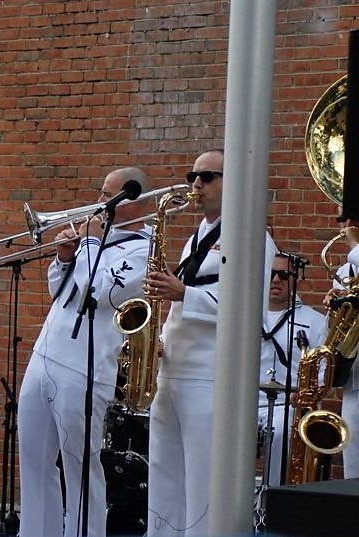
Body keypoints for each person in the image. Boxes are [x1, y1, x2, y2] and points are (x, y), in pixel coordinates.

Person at [143, 149, 276, 536]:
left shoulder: (252, 236)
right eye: (192, 176)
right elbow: (181, 301)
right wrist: (159, 338)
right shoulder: (194, 238)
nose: (195, 184)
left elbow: (248, 307)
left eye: (207, 177)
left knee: (201, 482)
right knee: (163, 475)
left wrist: (185, 293)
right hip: (172, 374)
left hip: (208, 376)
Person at [17, 167, 152, 537]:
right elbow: (60, 292)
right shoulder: (96, 237)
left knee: (79, 466)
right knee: (32, 459)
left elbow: (103, 292)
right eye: (100, 193)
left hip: (85, 368)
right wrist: (62, 258)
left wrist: (89, 245)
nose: (98, 203)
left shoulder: (144, 248)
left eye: (108, 195)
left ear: (132, 200)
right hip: (46, 355)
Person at [257, 253, 326, 486]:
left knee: (280, 433)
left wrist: (308, 393)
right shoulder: (244, 315)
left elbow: (325, 368)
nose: (276, 280)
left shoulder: (315, 321)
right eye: (271, 274)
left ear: (296, 278)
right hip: (244, 403)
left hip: (286, 404)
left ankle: (272, 499)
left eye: (284, 275)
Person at [324, 216, 359, 479]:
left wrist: (356, 246)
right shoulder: (344, 273)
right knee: (353, 469)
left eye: (352, 220)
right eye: (342, 219)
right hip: (353, 381)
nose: (345, 225)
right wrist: (334, 309)